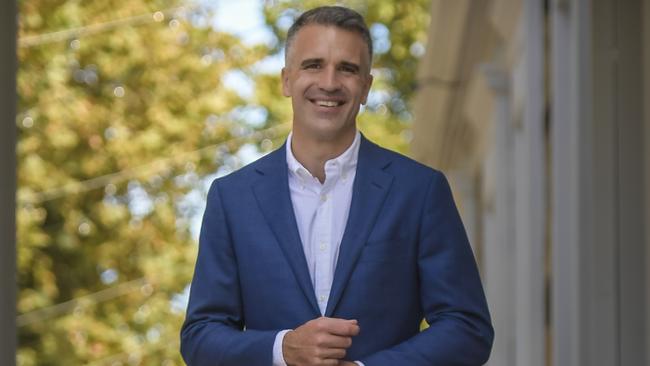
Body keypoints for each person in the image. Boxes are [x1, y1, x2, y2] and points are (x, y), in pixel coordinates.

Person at [180, 6, 493, 366]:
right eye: (313, 64)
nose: (329, 82)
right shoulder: (232, 199)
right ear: (286, 80)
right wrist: (283, 349)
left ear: (366, 87)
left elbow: (467, 328)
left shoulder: (419, 191)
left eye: (347, 68)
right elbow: (200, 335)